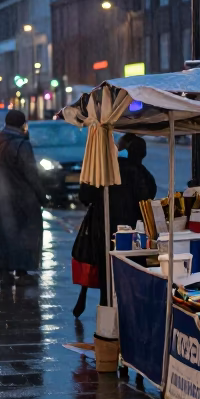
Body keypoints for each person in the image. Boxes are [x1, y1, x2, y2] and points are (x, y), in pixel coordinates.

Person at [74, 132, 157, 314]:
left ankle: (108, 317)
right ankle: (129, 315)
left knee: (107, 279)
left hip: (103, 233)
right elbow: (147, 200)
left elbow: (84, 196)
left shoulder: (104, 171)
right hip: (134, 237)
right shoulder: (144, 176)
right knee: (132, 277)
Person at [0, 108, 46, 286]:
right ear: (22, 124)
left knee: (1, 231)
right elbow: (31, 174)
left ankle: (3, 268)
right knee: (25, 233)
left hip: (0, 196)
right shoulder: (22, 145)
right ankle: (22, 269)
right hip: (23, 198)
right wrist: (42, 196)